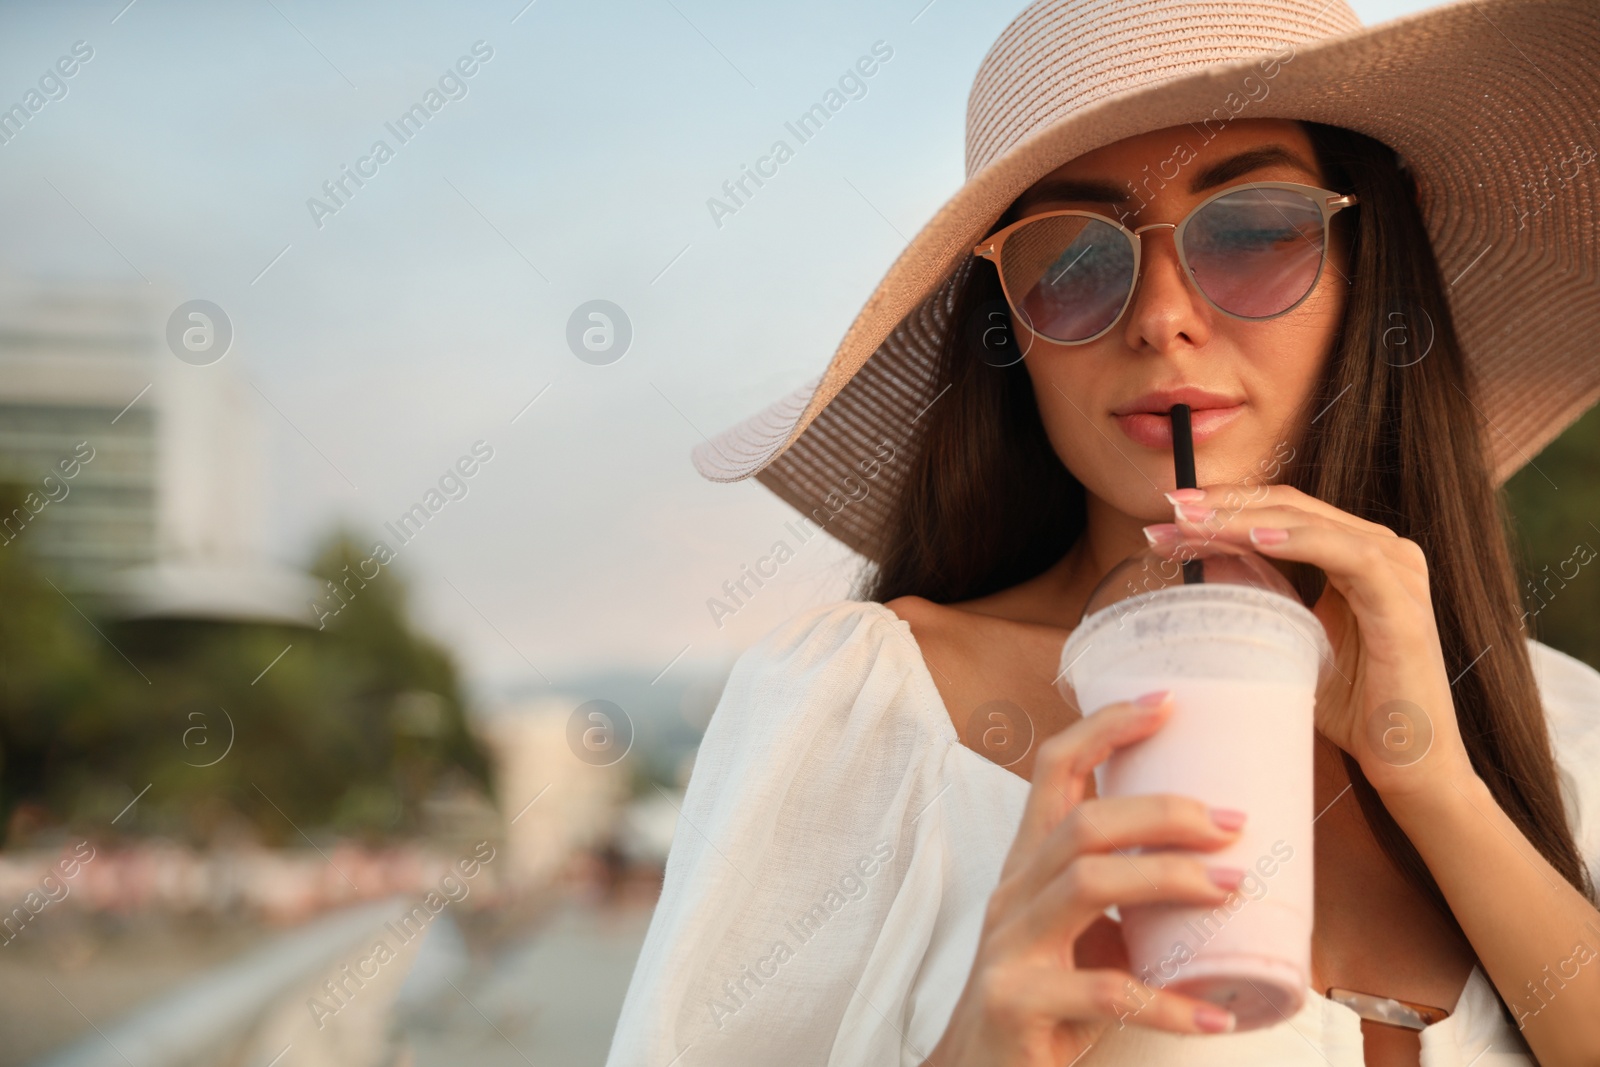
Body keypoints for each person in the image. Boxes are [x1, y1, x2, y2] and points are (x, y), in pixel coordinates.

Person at [605, 1, 1600, 1064]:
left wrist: (1431, 777)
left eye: (1257, 227)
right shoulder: (869, 710)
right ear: (1011, 328)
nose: (1160, 313)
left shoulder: (1564, 723)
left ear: (1369, 260)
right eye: (1073, 258)